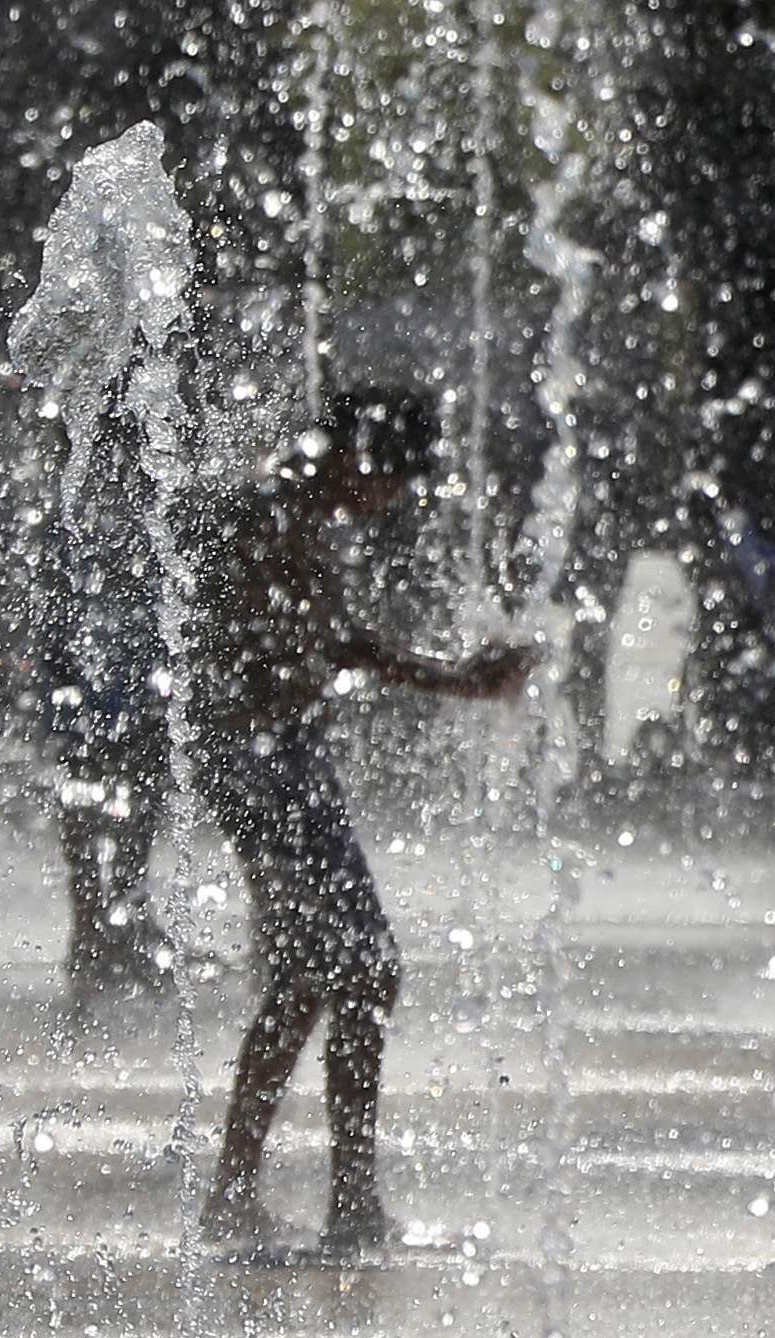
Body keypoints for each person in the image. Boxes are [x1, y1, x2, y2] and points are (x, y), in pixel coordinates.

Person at [189, 387, 529, 1257]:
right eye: (393, 482)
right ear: (357, 457)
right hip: (266, 766)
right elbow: (330, 643)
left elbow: (325, 642)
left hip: (275, 759)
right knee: (362, 968)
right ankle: (335, 1204)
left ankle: (270, 1197)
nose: (392, 502)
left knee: (316, 974)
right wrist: (460, 679)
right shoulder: (272, 510)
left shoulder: (285, 505)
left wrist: (457, 676)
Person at [37, 406, 179, 1001]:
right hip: (105, 692)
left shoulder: (84, 516)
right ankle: (100, 931)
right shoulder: (85, 520)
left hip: (114, 691)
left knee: (122, 809)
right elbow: (53, 616)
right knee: (113, 808)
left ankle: (105, 929)